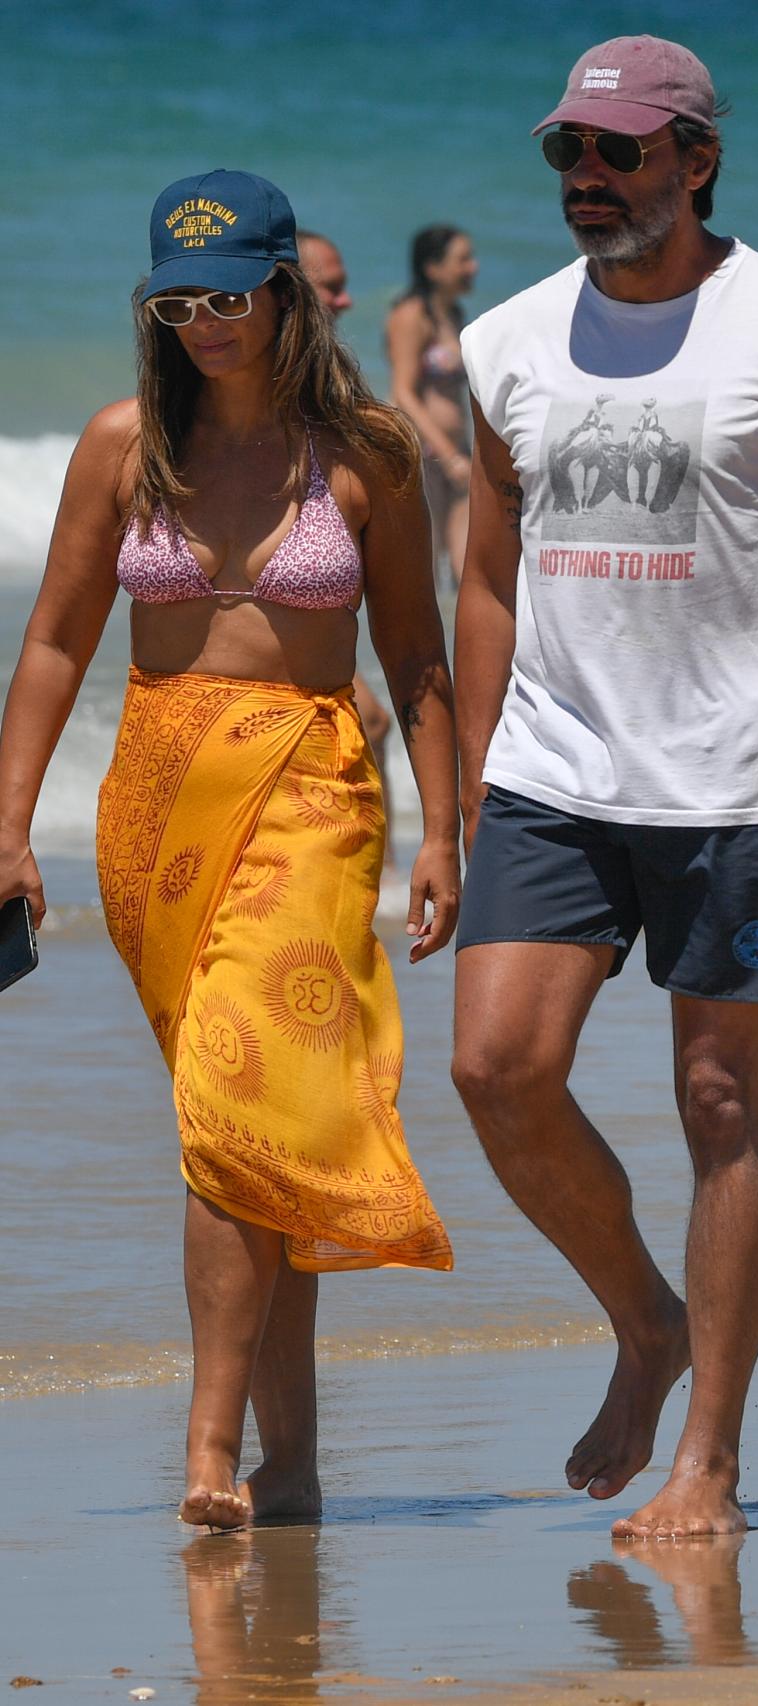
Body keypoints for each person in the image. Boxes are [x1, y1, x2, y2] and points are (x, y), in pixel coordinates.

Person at [452, 37, 758, 1539]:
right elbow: (487, 579)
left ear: (696, 158)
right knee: (496, 1068)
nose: (588, 178)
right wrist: (466, 784)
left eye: (620, 152)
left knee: (720, 1099)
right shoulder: (505, 341)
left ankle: (710, 1457)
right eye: (568, 150)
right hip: (553, 774)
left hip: (739, 787)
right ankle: (645, 1319)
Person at [0, 169, 460, 1530]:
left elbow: (417, 648)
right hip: (154, 804)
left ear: (284, 290)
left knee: (234, 1101)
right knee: (260, 1127)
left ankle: (208, 1450)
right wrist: (9, 821)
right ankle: (297, 1459)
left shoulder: (368, 451)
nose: (207, 322)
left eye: (232, 295)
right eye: (178, 301)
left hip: (315, 788)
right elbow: (54, 642)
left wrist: (449, 827)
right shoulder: (121, 444)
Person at [296, 225, 398, 870]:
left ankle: (375, 869)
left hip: (318, 607)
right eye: (331, 288)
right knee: (372, 722)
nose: (346, 301)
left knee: (375, 722)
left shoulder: (335, 394)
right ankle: (371, 869)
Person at [385, 226, 478, 586]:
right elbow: (403, 392)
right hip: (423, 455)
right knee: (424, 571)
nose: (473, 267)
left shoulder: (454, 314)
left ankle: (466, 642)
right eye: (463, 260)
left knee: (468, 570)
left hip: (458, 453)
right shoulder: (410, 316)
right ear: (433, 268)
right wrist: (449, 455)